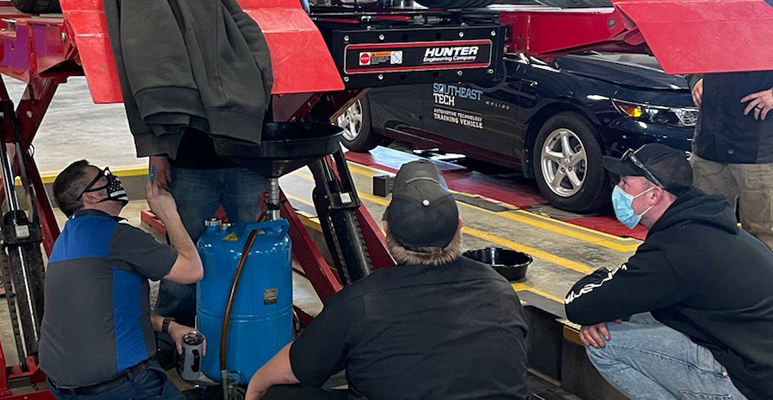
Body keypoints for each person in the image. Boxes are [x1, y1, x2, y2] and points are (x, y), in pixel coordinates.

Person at [246, 160, 529, 400]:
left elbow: (288, 370)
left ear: (386, 229)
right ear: (459, 227)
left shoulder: (362, 302)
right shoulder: (501, 290)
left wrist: (255, 388)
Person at [565, 143, 773, 400]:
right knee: (635, 315)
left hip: (751, 383)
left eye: (626, 183)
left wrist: (600, 283)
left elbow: (580, 306)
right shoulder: (701, 224)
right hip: (769, 367)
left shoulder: (675, 251)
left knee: (604, 344)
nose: (618, 189)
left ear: (654, 195)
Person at [39, 160, 204, 400]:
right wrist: (169, 214)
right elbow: (192, 270)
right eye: (104, 179)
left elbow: (108, 311)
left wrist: (170, 326)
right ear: (91, 197)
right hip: (120, 388)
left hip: (64, 388)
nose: (113, 180)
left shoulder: (65, 242)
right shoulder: (118, 236)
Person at [688, 0, 773, 260]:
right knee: (706, 226)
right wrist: (697, 77)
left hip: (757, 140)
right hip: (711, 136)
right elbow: (691, 46)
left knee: (762, 231)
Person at [151, 129, 269, 326]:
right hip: (189, 160)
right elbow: (154, 100)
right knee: (182, 256)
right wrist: (156, 151)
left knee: (255, 256)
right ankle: (172, 337)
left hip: (248, 160)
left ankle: (253, 331)